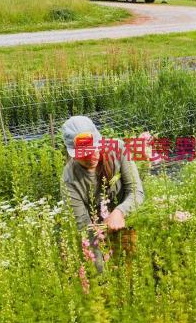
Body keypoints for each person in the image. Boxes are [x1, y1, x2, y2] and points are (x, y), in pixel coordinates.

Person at [61, 116, 144, 273]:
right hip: (97, 234)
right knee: (102, 273)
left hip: (127, 222)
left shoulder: (118, 150)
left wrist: (120, 212)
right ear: (72, 154)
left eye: (93, 150)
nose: (90, 157)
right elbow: (83, 226)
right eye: (83, 154)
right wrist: (100, 268)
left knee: (133, 268)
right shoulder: (69, 179)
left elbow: (136, 192)